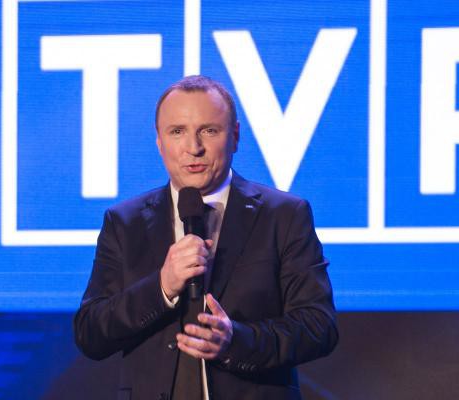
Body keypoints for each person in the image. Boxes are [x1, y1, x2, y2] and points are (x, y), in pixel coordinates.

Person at [74, 75, 338, 400]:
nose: (193, 148)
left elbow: (318, 326)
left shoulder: (283, 215)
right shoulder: (125, 223)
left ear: (235, 136)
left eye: (209, 131)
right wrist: (161, 287)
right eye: (177, 132)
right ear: (159, 142)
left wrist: (236, 341)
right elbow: (90, 333)